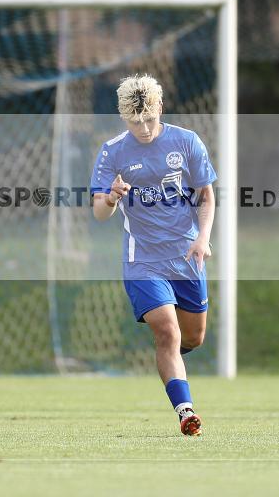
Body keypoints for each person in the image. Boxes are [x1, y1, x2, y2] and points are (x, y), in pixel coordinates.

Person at [90, 74, 216, 436]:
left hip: (186, 255)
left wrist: (203, 238)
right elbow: (99, 211)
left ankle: (169, 356)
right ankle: (185, 412)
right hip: (142, 257)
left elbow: (206, 197)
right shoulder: (112, 151)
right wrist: (111, 198)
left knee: (192, 337)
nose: (143, 129)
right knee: (167, 332)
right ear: (123, 117)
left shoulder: (186, 142)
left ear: (160, 107)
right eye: (135, 122)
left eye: (149, 119)